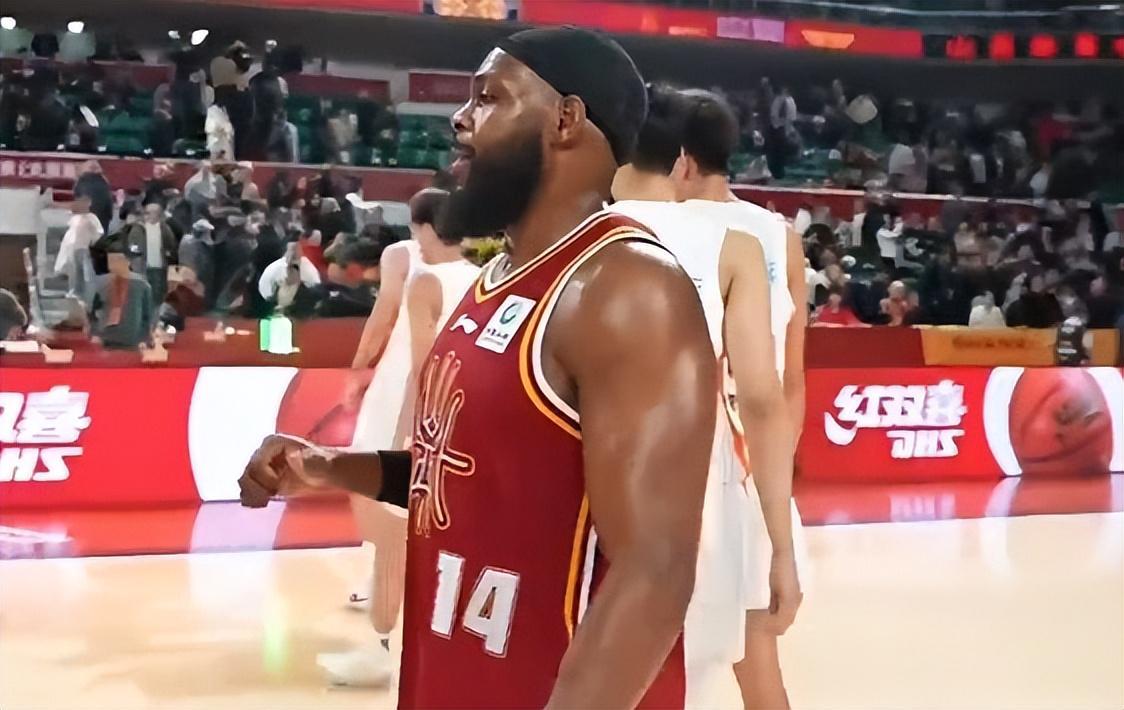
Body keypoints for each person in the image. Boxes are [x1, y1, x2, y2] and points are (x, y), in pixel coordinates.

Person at [240, 27, 716, 708]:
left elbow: (656, 568)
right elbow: (474, 476)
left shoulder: (627, 286)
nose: (460, 119)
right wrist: (331, 467)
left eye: (488, 98)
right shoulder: (498, 275)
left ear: (565, 119)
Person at [608, 83, 802, 708]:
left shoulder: (572, 230)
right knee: (735, 664)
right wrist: (779, 534)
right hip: (721, 472)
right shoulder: (756, 238)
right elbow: (778, 391)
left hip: (596, 482)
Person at [665, 87, 807, 710]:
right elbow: (791, 382)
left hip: (687, 472)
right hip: (755, 469)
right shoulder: (779, 235)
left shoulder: (649, 229)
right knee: (757, 663)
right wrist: (775, 494)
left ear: (676, 157)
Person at [320, 190, 479, 687]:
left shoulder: (423, 278)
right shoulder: (483, 277)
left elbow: (423, 366)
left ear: (426, 227)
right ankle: (413, 643)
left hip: (410, 412)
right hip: (455, 414)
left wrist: (407, 432)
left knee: (390, 532)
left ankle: (382, 650)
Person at [89, 235, 153, 349]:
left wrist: (144, 338)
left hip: (130, 338)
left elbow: (147, 315)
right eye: (112, 260)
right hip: (109, 337)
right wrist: (95, 333)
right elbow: (93, 312)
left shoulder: (141, 284)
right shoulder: (102, 283)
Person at [126, 203, 178, 305]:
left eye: (151, 213)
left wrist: (168, 255)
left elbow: (171, 245)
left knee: (158, 294)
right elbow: (131, 245)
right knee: (143, 295)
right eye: (146, 213)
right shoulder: (138, 229)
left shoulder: (164, 229)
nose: (148, 215)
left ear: (158, 215)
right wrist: (136, 256)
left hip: (159, 267)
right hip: (142, 267)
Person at [55, 196, 102, 301]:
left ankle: (84, 294)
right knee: (73, 271)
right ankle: (73, 291)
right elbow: (71, 231)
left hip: (84, 247)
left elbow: (98, 233)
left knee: (83, 271)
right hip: (73, 247)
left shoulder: (92, 218)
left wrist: (92, 243)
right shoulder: (75, 217)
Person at [258, 237, 322, 314]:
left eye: (296, 250)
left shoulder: (308, 268)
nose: (293, 254)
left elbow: (316, 289)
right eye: (291, 250)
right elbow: (266, 293)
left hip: (302, 305)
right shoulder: (274, 269)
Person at [73, 161, 114, 235]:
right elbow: (108, 200)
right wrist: (109, 215)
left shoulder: (81, 183)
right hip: (102, 217)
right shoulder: (103, 183)